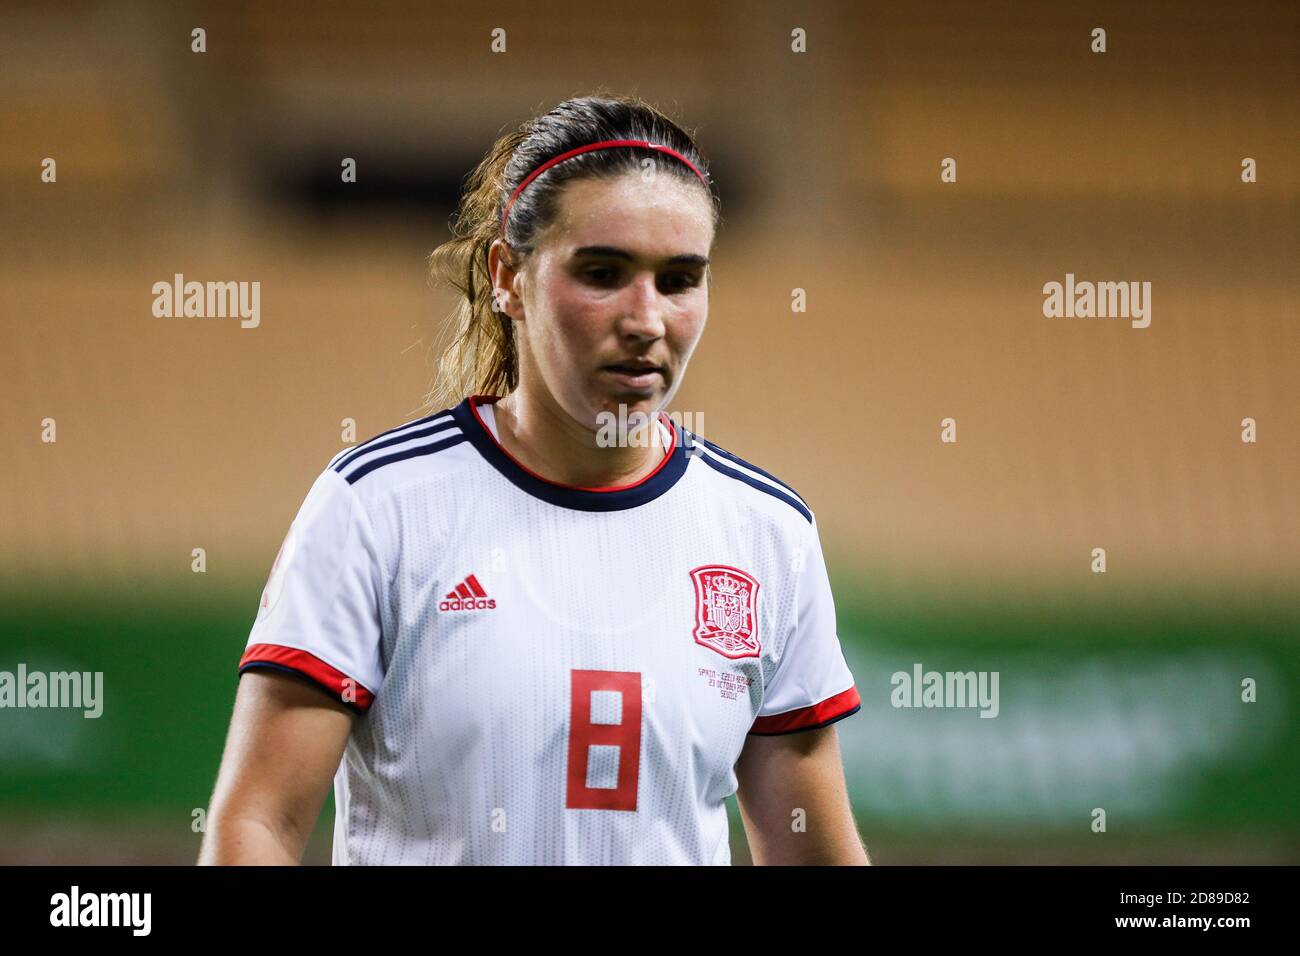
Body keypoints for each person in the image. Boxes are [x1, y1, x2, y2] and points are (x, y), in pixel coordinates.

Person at [199, 93, 868, 865]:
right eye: (603, 272)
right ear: (507, 277)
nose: (646, 318)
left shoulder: (767, 535)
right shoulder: (377, 511)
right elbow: (258, 828)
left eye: (679, 279)